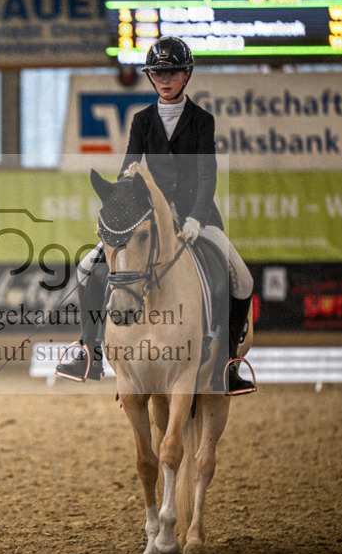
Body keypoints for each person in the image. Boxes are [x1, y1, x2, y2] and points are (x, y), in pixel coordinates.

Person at [55, 35, 256, 396]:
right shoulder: (142, 120)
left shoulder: (201, 121)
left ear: (187, 74)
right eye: (158, 72)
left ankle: (228, 363)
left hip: (198, 217)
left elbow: (207, 175)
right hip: (149, 218)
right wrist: (119, 208)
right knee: (86, 267)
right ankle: (90, 350)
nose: (164, 79)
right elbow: (129, 169)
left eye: (173, 72)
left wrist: (195, 217)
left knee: (242, 279)